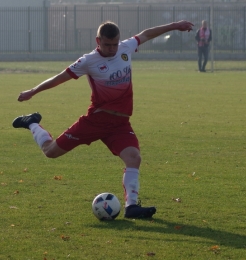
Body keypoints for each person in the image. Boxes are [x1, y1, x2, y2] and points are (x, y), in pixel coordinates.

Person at [12, 20, 194, 219]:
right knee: (51, 152)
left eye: (115, 44)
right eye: (107, 45)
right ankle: (32, 123)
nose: (112, 49)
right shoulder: (88, 61)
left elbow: (147, 34)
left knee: (134, 158)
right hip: (95, 121)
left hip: (120, 124)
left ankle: (131, 207)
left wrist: (175, 25)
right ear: (98, 41)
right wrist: (33, 91)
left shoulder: (125, 48)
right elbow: (59, 77)